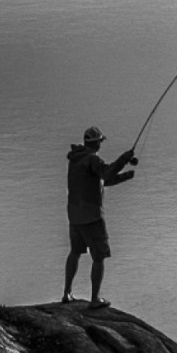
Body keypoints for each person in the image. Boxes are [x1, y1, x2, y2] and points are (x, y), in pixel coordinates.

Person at [63, 125, 139, 307]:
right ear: (96, 142)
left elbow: (102, 180)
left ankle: (66, 293)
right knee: (99, 257)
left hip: (74, 215)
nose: (100, 145)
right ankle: (95, 299)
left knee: (75, 252)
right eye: (100, 142)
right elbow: (105, 172)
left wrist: (126, 175)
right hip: (92, 216)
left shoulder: (75, 159)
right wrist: (124, 158)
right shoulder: (91, 159)